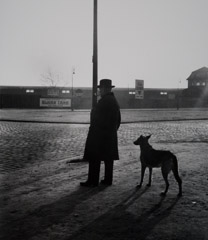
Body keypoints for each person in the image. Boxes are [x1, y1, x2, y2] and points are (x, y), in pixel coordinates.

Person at [80, 79, 121, 187]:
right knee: (108, 158)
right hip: (109, 135)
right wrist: (112, 131)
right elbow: (118, 120)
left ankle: (92, 181)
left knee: (94, 157)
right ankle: (108, 179)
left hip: (99, 135)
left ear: (105, 89)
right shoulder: (113, 100)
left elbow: (97, 118)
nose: (100, 91)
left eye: (101, 89)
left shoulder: (104, 101)